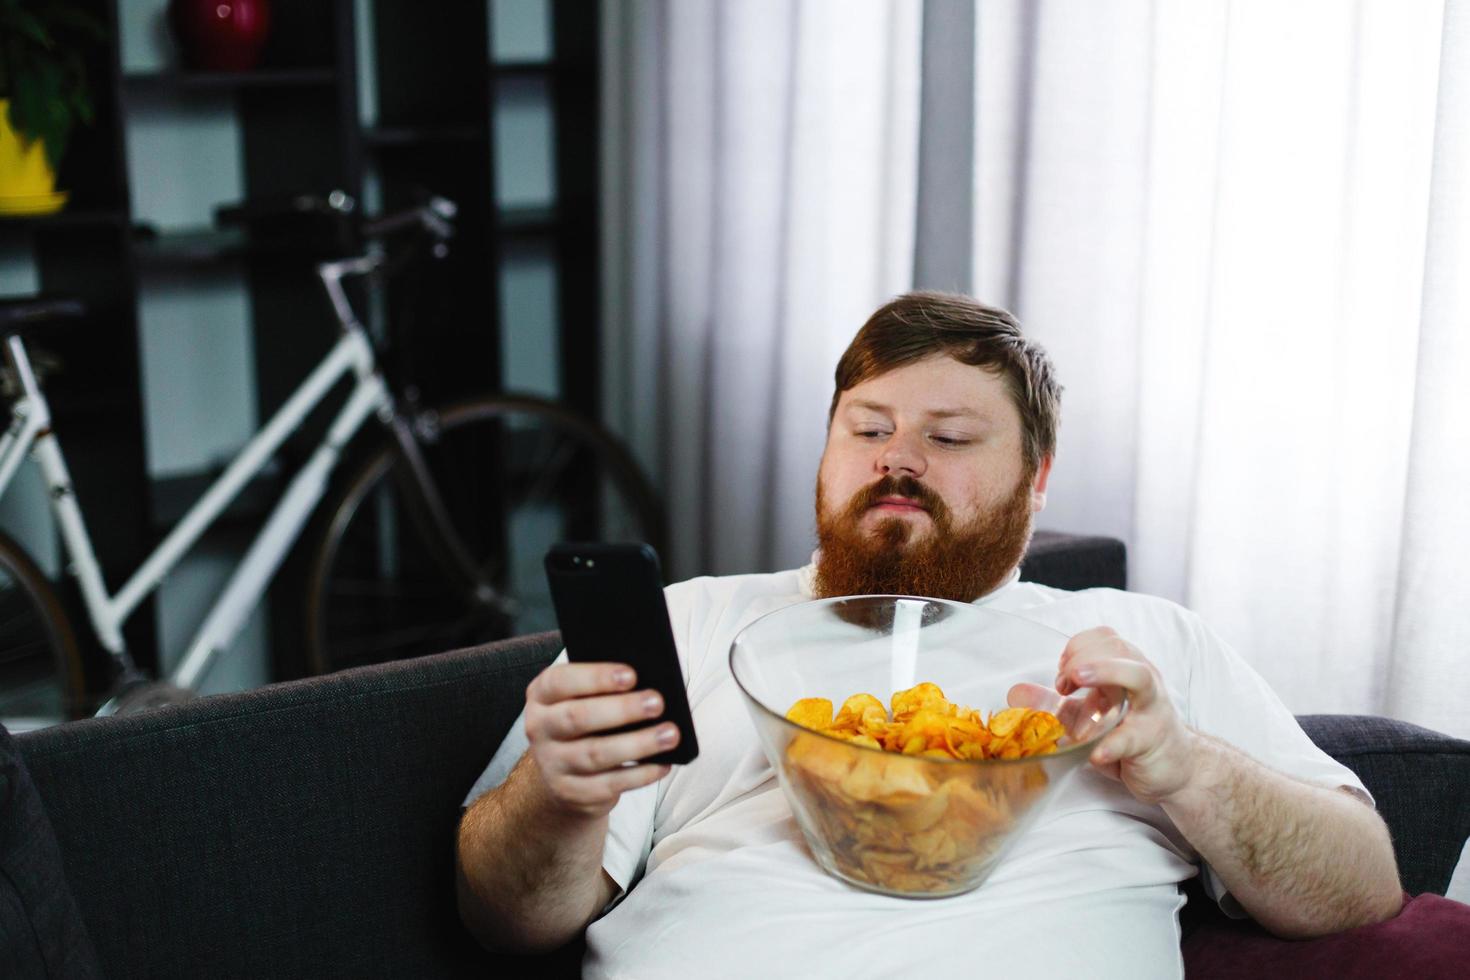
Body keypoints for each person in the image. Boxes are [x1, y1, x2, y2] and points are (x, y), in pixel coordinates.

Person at [455, 292, 1403, 978]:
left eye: (949, 438)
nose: (898, 458)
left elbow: (1363, 889)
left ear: (1037, 477)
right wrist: (558, 796)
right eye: (868, 428)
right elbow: (504, 921)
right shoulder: (691, 622)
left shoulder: (1137, 647)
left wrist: (1188, 768)